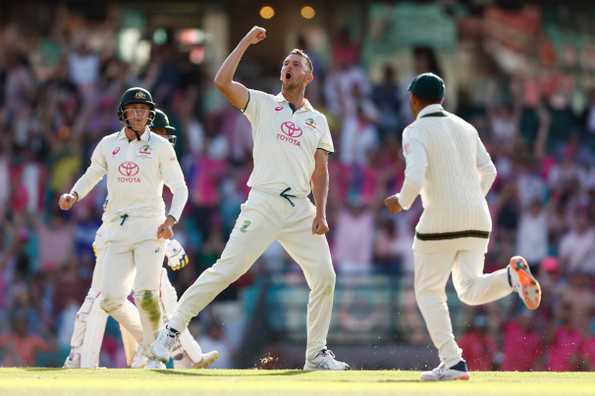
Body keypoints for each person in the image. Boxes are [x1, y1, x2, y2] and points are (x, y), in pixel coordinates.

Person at [151, 26, 349, 371]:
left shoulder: (317, 120)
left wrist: (321, 212)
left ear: (309, 76)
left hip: (300, 207)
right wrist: (244, 42)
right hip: (263, 202)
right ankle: (172, 329)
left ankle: (315, 354)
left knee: (325, 276)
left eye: (296, 64)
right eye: (286, 63)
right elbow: (222, 82)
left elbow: (321, 170)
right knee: (227, 269)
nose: (288, 67)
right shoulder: (262, 103)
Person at [383, 73, 541, 381]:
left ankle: (452, 361)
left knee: (428, 291)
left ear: (414, 100)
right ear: (442, 99)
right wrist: (469, 199)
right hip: (477, 218)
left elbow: (415, 178)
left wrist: (400, 202)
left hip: (440, 221)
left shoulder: (414, 130)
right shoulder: (466, 127)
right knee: (468, 289)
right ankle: (511, 277)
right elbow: (490, 171)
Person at [63, 108, 218, 369]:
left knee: (157, 294)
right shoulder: (122, 149)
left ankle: (176, 356)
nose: (166, 140)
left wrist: (169, 236)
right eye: (162, 133)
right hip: (115, 234)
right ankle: (82, 358)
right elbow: (127, 200)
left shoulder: (156, 153)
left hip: (143, 233)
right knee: (103, 299)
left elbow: (153, 205)